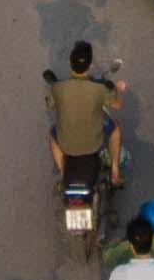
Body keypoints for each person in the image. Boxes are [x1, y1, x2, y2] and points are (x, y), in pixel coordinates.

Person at [50, 39, 127, 185]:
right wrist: (116, 90)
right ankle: (115, 174)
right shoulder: (100, 89)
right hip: (93, 144)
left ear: (69, 62)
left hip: (66, 144)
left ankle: (62, 173)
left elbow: (50, 105)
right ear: (90, 66)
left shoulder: (57, 88)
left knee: (52, 133)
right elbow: (118, 106)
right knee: (115, 129)